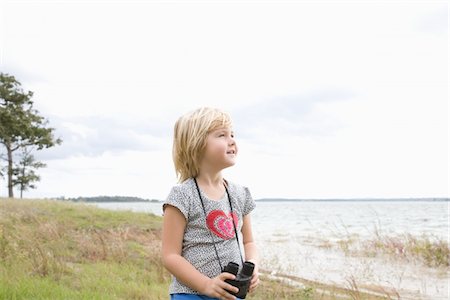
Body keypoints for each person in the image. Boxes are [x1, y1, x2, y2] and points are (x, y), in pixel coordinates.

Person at [162, 107, 260, 300]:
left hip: (230, 293)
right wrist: (206, 285)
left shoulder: (240, 194)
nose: (232, 140)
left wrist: (253, 263)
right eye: (221, 135)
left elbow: (249, 242)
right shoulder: (182, 195)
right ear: (196, 144)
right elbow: (170, 256)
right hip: (190, 294)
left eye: (232, 134)